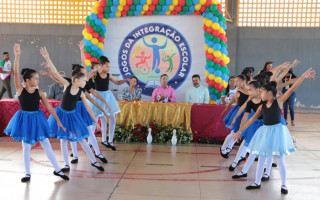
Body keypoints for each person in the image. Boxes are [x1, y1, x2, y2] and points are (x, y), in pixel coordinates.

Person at [234, 68, 316, 194]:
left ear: (268, 93)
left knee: (280, 158)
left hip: (277, 132)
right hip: (265, 132)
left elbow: (291, 88)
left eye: (261, 92)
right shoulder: (261, 106)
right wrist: (239, 131)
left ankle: (283, 185)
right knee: (262, 157)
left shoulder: (278, 102)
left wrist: (303, 77)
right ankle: (257, 182)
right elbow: (250, 120)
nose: (260, 94)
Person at [4, 44, 69, 182]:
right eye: (36, 78)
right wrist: (17, 56)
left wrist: (58, 120)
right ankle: (27, 173)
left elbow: (50, 107)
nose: (38, 80)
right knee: (26, 146)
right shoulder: (20, 90)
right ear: (27, 80)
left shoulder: (39, 92)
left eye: (38, 78)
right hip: (24, 119)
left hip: (38, 119)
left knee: (46, 144)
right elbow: (15, 72)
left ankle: (58, 170)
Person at [40, 46, 105, 172]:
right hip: (61, 114)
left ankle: (94, 161)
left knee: (82, 140)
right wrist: (47, 57)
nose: (85, 83)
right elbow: (55, 72)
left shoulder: (81, 92)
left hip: (73, 116)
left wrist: (96, 121)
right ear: (76, 80)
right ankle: (66, 164)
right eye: (84, 81)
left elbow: (88, 108)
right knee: (63, 140)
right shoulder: (67, 84)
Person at [89, 56, 130, 151]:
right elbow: (90, 74)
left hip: (108, 97)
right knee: (95, 121)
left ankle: (109, 140)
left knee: (112, 119)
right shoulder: (96, 74)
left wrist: (126, 80)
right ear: (101, 66)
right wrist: (96, 68)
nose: (108, 69)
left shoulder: (109, 75)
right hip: (97, 97)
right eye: (106, 67)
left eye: (109, 67)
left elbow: (118, 82)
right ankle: (90, 142)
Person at [220, 74, 250, 158]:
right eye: (235, 81)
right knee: (234, 131)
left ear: (243, 81)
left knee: (238, 132)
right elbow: (232, 100)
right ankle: (223, 148)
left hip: (248, 113)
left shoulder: (250, 90)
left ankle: (229, 147)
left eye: (237, 81)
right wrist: (226, 108)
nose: (235, 83)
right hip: (239, 113)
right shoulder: (238, 91)